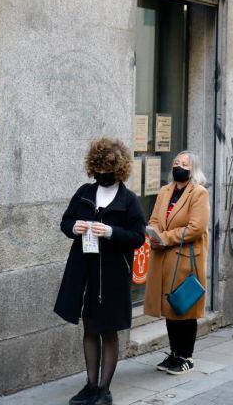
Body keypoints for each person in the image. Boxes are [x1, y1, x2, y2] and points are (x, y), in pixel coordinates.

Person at [55, 138, 147, 405]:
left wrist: (110, 232)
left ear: (118, 169)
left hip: (113, 274)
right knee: (89, 327)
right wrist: (74, 228)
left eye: (107, 167)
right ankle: (90, 385)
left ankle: (104, 390)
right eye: (98, 167)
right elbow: (66, 221)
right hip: (84, 271)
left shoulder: (128, 200)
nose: (102, 172)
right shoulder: (85, 191)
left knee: (109, 330)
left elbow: (137, 237)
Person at [144, 151, 210, 375]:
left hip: (185, 258)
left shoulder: (198, 193)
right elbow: (154, 219)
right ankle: (174, 353)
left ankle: (186, 356)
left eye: (184, 164)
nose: (178, 166)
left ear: (193, 169)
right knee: (169, 308)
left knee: (184, 306)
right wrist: (153, 234)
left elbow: (196, 228)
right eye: (176, 162)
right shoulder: (164, 191)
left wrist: (165, 238)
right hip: (163, 256)